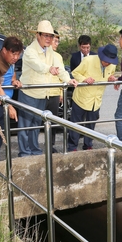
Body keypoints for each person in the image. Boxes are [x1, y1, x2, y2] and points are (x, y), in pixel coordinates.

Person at [17, 20, 77, 157]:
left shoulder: (49, 50)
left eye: (51, 36)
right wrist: (49, 69)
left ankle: (34, 150)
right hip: (29, 93)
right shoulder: (30, 51)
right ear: (38, 35)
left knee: (37, 125)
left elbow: (59, 68)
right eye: (46, 36)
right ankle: (24, 152)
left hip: (42, 94)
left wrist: (68, 79)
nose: (49, 39)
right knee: (25, 125)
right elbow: (37, 65)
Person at [68, 44, 118, 151]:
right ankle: (72, 147)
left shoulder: (112, 66)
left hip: (96, 100)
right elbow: (75, 73)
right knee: (76, 124)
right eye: (106, 60)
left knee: (91, 124)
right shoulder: (88, 60)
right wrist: (85, 79)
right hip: (82, 98)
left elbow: (108, 76)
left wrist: (111, 78)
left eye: (110, 61)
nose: (107, 63)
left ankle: (88, 145)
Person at [45, 29, 64, 152]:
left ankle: (50, 145)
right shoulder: (43, 54)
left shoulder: (58, 57)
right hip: (42, 93)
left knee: (52, 120)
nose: (56, 44)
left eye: (58, 41)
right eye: (55, 41)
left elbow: (62, 75)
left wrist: (61, 92)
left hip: (55, 93)